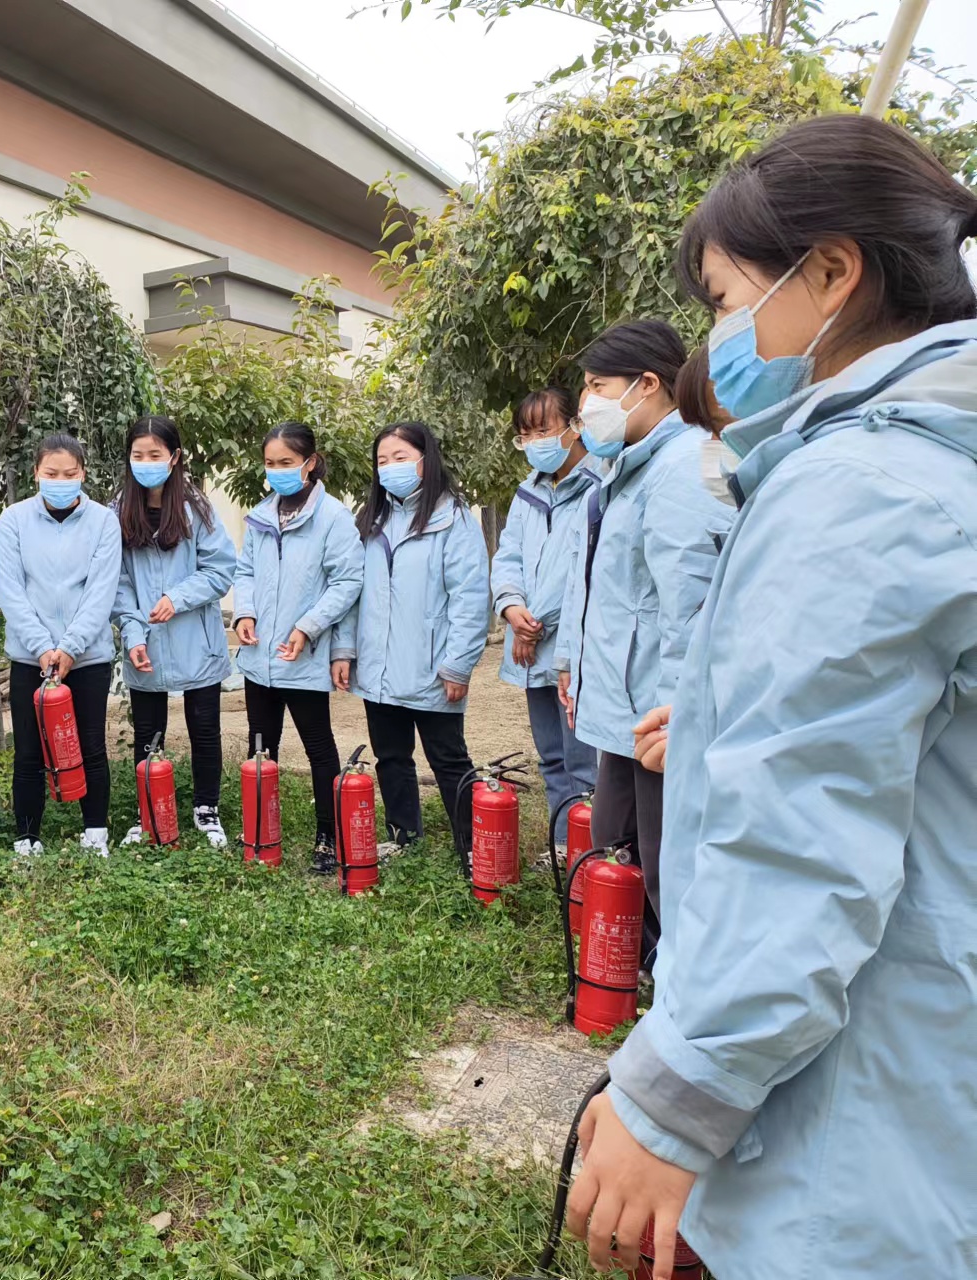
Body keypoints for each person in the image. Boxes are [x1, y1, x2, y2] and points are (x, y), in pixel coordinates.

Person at [568, 114, 977, 1280]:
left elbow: (799, 837)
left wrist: (673, 1094)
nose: (721, 335)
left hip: (850, 1129)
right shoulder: (928, 462)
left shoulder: (858, 490)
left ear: (831, 272)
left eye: (721, 295)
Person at [552, 320, 733, 959]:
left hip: (656, 716)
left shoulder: (682, 471)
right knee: (622, 843)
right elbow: (603, 585)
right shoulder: (625, 469)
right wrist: (572, 661)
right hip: (626, 709)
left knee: (665, 863)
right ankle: (642, 971)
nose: (587, 405)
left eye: (599, 386)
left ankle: (681, 989)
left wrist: (677, 717)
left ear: (648, 385)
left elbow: (691, 611)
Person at [331, 422, 488, 869]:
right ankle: (403, 835)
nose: (390, 468)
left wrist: (458, 664)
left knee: (449, 758)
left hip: (431, 664)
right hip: (379, 665)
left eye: (400, 457)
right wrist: (344, 650)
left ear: (425, 459)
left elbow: (471, 597)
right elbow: (352, 593)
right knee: (390, 756)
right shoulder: (371, 521)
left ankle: (475, 846)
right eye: (382, 461)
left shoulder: (453, 519)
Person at [233, 422, 363, 874]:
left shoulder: (334, 518)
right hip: (259, 657)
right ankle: (259, 828)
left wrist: (308, 628)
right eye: (270, 464)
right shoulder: (261, 515)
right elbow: (244, 571)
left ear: (309, 463)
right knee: (260, 745)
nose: (277, 472)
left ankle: (328, 837)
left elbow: (348, 581)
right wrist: (244, 612)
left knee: (318, 748)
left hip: (302, 655)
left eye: (286, 463)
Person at [0, 433, 123, 855]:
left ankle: (95, 834)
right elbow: (10, 590)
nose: (61, 480)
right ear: (36, 474)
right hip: (31, 657)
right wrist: (42, 649)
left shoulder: (104, 521)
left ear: (83, 473)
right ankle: (27, 837)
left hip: (87, 657)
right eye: (51, 473)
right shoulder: (13, 520)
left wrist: (68, 649)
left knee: (89, 744)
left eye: (70, 473)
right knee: (29, 750)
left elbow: (100, 593)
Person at [112, 416, 238, 848]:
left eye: (155, 455)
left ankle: (207, 808)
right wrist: (133, 635)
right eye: (137, 455)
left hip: (195, 639)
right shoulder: (119, 512)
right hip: (144, 641)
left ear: (174, 458)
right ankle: (149, 807)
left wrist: (177, 598)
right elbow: (118, 582)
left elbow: (220, 570)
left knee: (204, 729)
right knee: (148, 731)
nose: (145, 463)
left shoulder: (196, 508)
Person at [491, 388, 599, 851]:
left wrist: (534, 624)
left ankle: (591, 849)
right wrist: (512, 608)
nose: (535, 441)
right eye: (526, 434)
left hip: (570, 647)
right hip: (529, 645)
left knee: (585, 761)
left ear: (573, 426)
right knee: (551, 757)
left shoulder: (600, 485)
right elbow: (508, 555)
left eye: (544, 430)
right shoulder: (527, 492)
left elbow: (582, 569)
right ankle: (561, 848)